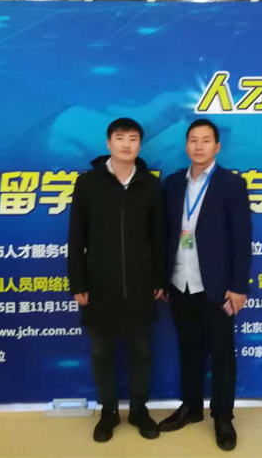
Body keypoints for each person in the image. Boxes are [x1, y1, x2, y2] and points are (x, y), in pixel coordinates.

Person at [68, 117, 166, 443]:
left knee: (141, 354)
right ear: (109, 143)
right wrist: (78, 283)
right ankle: (108, 412)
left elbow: (159, 238)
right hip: (99, 286)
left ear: (140, 144)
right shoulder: (88, 183)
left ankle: (139, 411)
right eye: (120, 137)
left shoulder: (150, 185)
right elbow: (76, 237)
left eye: (133, 138)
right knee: (102, 355)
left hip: (140, 286)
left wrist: (159, 278)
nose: (126, 144)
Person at [159, 118, 252, 451]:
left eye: (206, 140)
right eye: (193, 140)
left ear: (217, 147)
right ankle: (191, 407)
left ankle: (223, 416)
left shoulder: (231, 184)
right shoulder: (172, 184)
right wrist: (162, 279)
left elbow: (242, 239)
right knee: (189, 349)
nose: (199, 146)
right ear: (186, 146)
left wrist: (238, 286)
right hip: (180, 282)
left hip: (217, 285)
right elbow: (165, 235)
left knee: (222, 352)